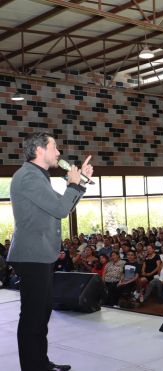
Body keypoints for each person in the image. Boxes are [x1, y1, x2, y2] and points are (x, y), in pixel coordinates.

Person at [7, 132, 93, 371]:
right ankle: (33, 367)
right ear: (40, 150)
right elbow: (61, 210)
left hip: (39, 254)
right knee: (33, 317)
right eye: (54, 147)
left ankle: (40, 363)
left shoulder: (37, 176)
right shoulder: (29, 177)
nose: (58, 152)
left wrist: (81, 181)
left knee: (41, 314)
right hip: (32, 255)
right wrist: (74, 183)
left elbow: (64, 204)